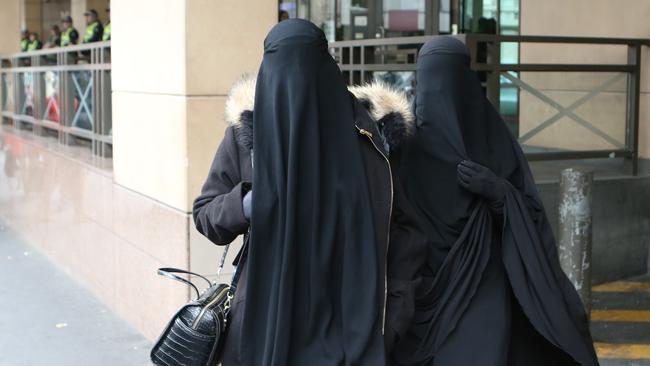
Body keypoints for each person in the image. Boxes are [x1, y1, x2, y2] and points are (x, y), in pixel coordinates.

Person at [193, 19, 422, 365]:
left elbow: (405, 233)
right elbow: (205, 215)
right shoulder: (247, 139)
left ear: (327, 67)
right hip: (267, 324)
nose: (295, 83)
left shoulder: (370, 138)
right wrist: (245, 204)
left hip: (354, 329)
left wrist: (395, 317)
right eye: (283, 67)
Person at [392, 36, 599, 366]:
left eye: (449, 77)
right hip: (421, 290)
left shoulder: (494, 142)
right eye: (432, 78)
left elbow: (530, 217)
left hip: (485, 286)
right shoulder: (401, 146)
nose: (440, 91)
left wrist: (501, 195)